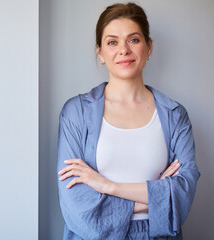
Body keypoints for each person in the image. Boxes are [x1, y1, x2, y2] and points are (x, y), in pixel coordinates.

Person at [57, 2, 200, 240]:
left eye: (133, 39)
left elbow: (183, 196)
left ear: (149, 47)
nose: (123, 50)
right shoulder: (76, 113)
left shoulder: (175, 115)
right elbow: (77, 207)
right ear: (100, 53)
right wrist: (155, 197)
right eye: (112, 42)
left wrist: (107, 186)